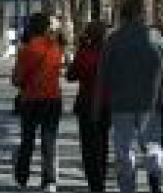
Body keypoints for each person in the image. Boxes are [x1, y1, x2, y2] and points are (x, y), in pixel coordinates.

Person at [102, 0, 163, 193]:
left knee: (124, 150)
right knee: (151, 143)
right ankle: (155, 164)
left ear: (123, 15)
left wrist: (99, 103)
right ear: (142, 13)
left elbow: (103, 72)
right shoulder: (155, 37)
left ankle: (128, 188)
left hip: (121, 102)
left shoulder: (113, 39)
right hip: (149, 102)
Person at [10, 12, 64, 192]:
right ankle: (49, 180)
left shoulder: (26, 50)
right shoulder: (55, 47)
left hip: (31, 99)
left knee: (28, 139)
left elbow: (17, 79)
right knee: (49, 140)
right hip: (53, 98)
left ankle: (22, 177)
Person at [65, 21, 110, 192]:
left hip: (87, 103)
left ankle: (95, 183)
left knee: (89, 146)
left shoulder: (84, 54)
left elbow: (71, 76)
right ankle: (101, 179)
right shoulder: (110, 54)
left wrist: (80, 50)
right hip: (107, 104)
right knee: (103, 143)